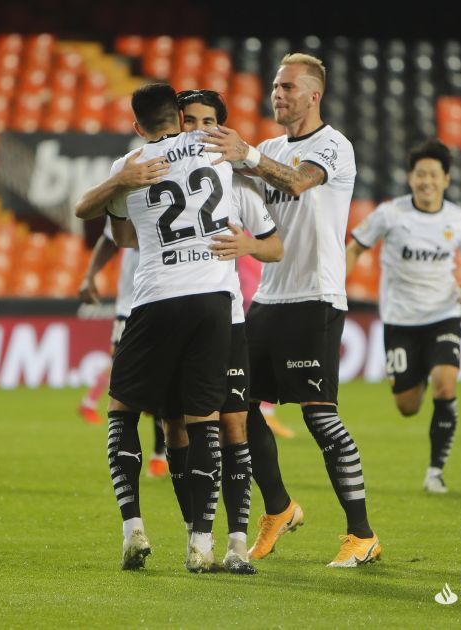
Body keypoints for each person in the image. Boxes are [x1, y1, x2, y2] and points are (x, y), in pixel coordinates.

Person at [75, 83, 273, 573]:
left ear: (139, 125)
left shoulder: (133, 161)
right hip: (212, 302)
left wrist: (123, 181)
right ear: (181, 118)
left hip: (157, 299)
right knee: (201, 420)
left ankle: (133, 529)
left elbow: (95, 216)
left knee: (123, 410)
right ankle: (202, 543)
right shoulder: (219, 148)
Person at [204, 53, 381, 567]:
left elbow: (298, 182)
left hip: (315, 296)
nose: (277, 95)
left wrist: (248, 157)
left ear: (314, 95)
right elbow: (253, 206)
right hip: (270, 299)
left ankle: (361, 533)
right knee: (234, 405)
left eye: (287, 87)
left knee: (319, 416)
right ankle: (279, 508)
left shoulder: (332, 146)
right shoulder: (271, 148)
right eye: (274, 87)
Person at [161, 89, 283, 575]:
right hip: (171, 318)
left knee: (233, 425)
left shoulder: (237, 183)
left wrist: (247, 244)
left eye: (208, 121)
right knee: (178, 432)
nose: (197, 129)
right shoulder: (155, 174)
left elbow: (275, 248)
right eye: (188, 120)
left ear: (222, 129)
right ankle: (197, 533)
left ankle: (235, 544)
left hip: (227, 319)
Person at [346, 138, 461, 494]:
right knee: (407, 406)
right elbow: (355, 247)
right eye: (420, 174)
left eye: (433, 175)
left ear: (446, 179)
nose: (426, 181)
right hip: (400, 321)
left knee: (446, 384)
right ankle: (419, 372)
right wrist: (336, 284)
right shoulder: (390, 214)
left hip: (443, 314)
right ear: (410, 178)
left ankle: (435, 472)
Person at [77, 223, 168, 477]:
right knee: (123, 378)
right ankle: (129, 459)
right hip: (128, 306)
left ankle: (160, 453)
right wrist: (89, 275)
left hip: (164, 302)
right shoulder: (128, 195)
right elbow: (108, 237)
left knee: (164, 380)